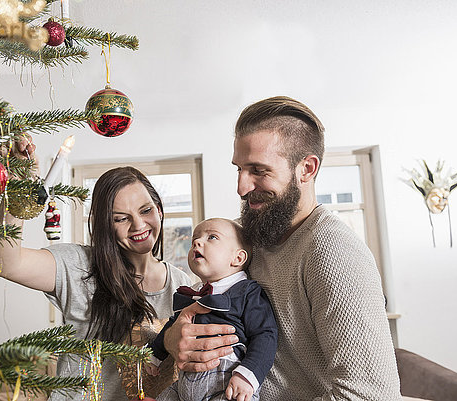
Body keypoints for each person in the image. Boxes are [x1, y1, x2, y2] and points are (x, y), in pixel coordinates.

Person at [163, 97, 402, 400]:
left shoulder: (334, 252)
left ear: (307, 168)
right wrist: (173, 339)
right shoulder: (247, 235)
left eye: (258, 171)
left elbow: (370, 395)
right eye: (238, 169)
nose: (241, 187)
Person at [0, 140, 191, 401]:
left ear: (159, 211)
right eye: (121, 218)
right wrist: (18, 189)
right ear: (106, 226)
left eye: (146, 210)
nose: (138, 224)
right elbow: (1, 261)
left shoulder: (183, 285)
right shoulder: (79, 266)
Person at [147, 218, 277, 401]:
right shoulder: (192, 293)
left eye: (212, 237)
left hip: (227, 381)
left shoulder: (247, 292)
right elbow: (174, 325)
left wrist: (248, 375)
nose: (196, 242)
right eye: (195, 239)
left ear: (238, 258)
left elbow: (265, 335)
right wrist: (154, 354)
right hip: (184, 384)